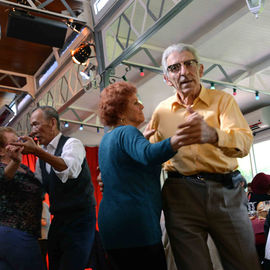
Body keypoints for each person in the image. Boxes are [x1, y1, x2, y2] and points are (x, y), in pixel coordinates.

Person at [146, 43, 260, 270]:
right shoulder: (161, 111)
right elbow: (150, 153)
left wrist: (214, 135)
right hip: (180, 197)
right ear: (167, 78)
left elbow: (245, 142)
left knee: (244, 263)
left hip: (225, 193)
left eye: (189, 64)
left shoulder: (223, 101)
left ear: (200, 70)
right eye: (174, 67)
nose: (183, 71)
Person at [98, 81, 183, 270]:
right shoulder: (128, 132)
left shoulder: (107, 139)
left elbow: (126, 169)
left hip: (112, 225)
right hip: (135, 226)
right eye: (135, 103)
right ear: (120, 112)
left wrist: (141, 140)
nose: (141, 106)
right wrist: (179, 139)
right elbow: (148, 154)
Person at [12, 106, 96, 270]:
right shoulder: (40, 157)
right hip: (58, 219)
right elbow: (37, 190)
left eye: (36, 124)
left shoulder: (72, 144)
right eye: (32, 126)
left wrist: (37, 151)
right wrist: (14, 162)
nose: (33, 131)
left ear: (52, 123)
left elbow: (69, 170)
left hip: (81, 219)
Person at [0, 127, 44, 270]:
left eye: (19, 140)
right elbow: (3, 180)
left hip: (27, 234)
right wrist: (15, 162)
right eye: (13, 142)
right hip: (13, 235)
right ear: (1, 151)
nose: (19, 144)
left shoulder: (25, 169)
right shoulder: (5, 168)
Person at [38, 199, 51, 270]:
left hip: (43, 238)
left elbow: (45, 222)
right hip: (40, 238)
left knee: (41, 260)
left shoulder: (43, 205)